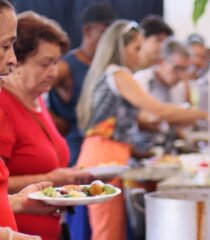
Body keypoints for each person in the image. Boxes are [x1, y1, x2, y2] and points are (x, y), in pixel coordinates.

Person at [76, 20, 210, 240]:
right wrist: (206, 115)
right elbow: (160, 111)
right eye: (136, 49)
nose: (140, 55)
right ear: (121, 48)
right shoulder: (118, 73)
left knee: (112, 230)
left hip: (107, 153)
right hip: (104, 154)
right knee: (108, 233)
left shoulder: (113, 74)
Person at [0, 11, 93, 240]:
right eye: (45, 64)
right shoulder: (5, 106)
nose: (53, 72)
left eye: (55, 62)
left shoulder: (38, 100)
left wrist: (21, 200)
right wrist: (56, 177)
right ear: (17, 63)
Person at [47, 4, 117, 240]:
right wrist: (54, 121)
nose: (108, 38)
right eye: (104, 31)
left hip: (97, 150)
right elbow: (33, 91)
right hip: (75, 149)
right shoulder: (67, 65)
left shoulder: (105, 65)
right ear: (88, 30)